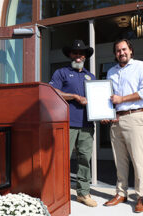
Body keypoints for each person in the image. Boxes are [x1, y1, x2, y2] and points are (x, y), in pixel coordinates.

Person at [102, 39, 143, 213]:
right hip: (117, 120)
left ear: (130, 50)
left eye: (124, 49)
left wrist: (122, 99)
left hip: (134, 116)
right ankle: (121, 193)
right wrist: (106, 113)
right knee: (120, 160)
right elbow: (108, 97)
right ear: (115, 54)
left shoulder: (141, 67)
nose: (121, 53)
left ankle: (141, 196)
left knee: (138, 159)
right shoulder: (111, 72)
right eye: (117, 50)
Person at [49, 40, 97, 207]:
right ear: (70, 54)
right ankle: (60, 193)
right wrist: (74, 97)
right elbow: (53, 91)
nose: (78, 56)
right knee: (63, 159)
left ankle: (83, 193)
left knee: (85, 159)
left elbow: (98, 99)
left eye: (81, 53)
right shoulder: (61, 73)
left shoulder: (91, 77)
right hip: (67, 123)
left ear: (85, 56)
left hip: (87, 124)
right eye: (75, 53)